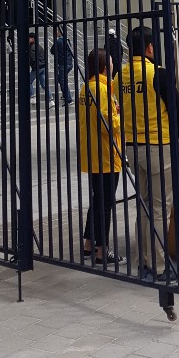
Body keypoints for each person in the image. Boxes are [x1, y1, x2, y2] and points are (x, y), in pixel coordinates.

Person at [113, 26, 179, 280]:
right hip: (158, 146)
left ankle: (142, 261)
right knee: (159, 208)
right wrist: (178, 136)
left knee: (142, 204)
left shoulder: (119, 76)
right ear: (150, 48)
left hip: (133, 148)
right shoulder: (158, 73)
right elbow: (177, 109)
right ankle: (160, 266)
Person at [79, 48, 122, 265]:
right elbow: (107, 124)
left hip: (92, 152)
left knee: (97, 199)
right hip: (106, 154)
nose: (114, 65)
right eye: (112, 62)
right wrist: (123, 118)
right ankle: (102, 251)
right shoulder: (103, 90)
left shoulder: (85, 88)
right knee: (105, 203)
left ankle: (89, 243)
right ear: (105, 67)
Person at [50, 24, 74, 105]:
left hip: (63, 64)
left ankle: (69, 99)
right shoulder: (68, 40)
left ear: (60, 32)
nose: (56, 32)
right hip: (69, 64)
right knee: (61, 79)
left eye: (57, 31)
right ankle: (64, 95)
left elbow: (52, 50)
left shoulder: (59, 41)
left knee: (63, 81)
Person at [28, 33, 54, 105]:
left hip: (37, 67)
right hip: (43, 66)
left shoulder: (32, 47)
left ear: (32, 38)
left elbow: (33, 58)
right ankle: (50, 99)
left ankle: (32, 97)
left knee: (29, 81)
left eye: (29, 38)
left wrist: (31, 64)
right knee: (44, 84)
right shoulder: (39, 46)